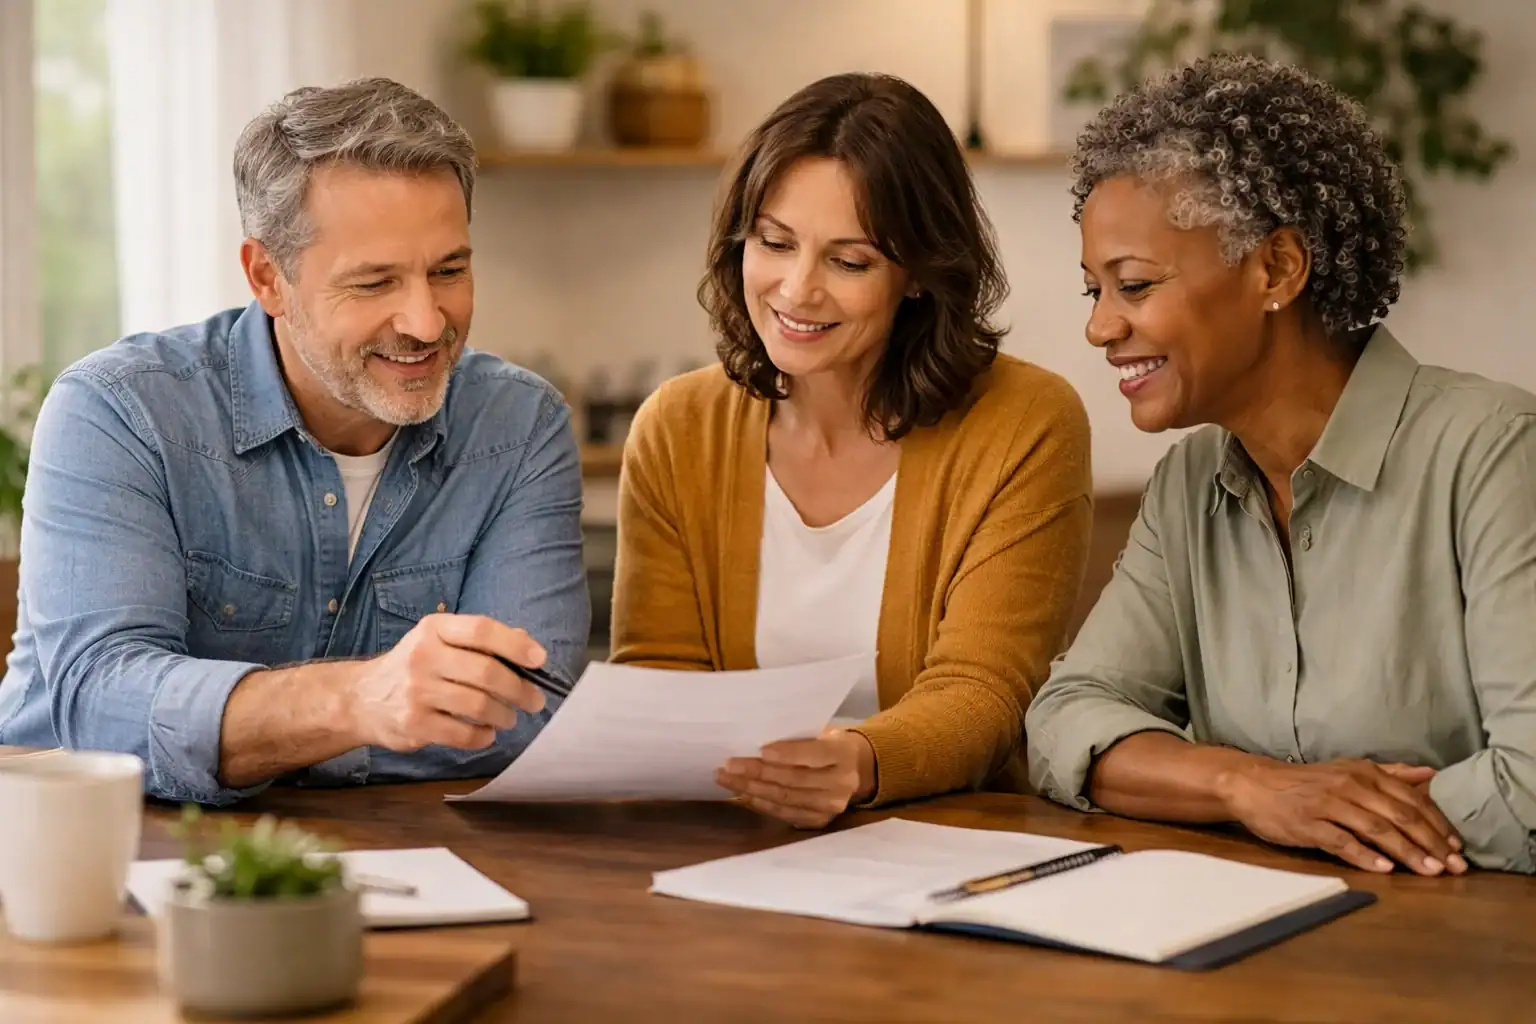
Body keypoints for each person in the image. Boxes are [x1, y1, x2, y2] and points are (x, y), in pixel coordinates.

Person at [0, 78, 590, 805]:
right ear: (267, 277)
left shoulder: (518, 426)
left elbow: (529, 713)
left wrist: (256, 734)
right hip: (89, 855)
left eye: (450, 271)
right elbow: (96, 707)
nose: (427, 322)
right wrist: (358, 701)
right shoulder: (122, 411)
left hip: (406, 861)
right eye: (374, 283)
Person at [1026, 54, 1536, 875]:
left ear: (1277, 269)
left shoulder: (1495, 453)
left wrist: (1321, 813)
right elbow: (1066, 721)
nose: (1101, 328)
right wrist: (1246, 787)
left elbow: (1531, 792)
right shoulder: (1190, 485)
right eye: (1096, 291)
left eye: (1134, 285)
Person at [611, 72, 1093, 828]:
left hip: (947, 849)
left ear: (916, 277)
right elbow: (659, 680)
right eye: (774, 243)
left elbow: (986, 691)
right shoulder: (678, 427)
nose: (797, 290)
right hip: (728, 849)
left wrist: (860, 762)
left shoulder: (1026, 422)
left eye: (849, 261)